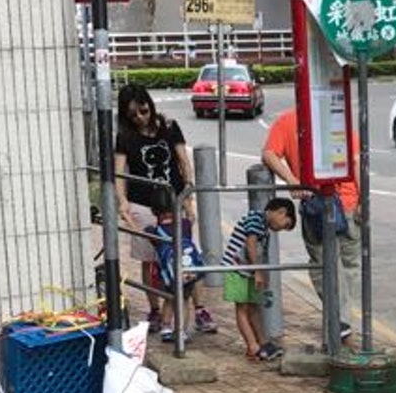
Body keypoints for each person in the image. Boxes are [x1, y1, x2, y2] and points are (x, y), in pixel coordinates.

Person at [114, 82, 216, 341]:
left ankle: (200, 309)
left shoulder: (168, 127)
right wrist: (122, 201)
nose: (140, 118)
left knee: (185, 255)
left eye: (143, 111)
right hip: (142, 203)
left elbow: (183, 161)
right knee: (151, 258)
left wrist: (188, 197)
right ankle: (156, 310)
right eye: (133, 115)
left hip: (174, 200)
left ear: (150, 105)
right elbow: (119, 173)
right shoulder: (125, 136)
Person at [261, 105, 361, 346]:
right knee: (347, 265)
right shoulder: (336, 117)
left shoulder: (288, 120)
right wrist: (363, 199)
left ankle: (340, 322)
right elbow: (356, 162)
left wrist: (293, 181)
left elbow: (269, 154)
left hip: (317, 203)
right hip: (347, 201)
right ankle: (341, 323)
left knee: (323, 265)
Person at [223, 197, 296, 362]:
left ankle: (262, 342)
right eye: (284, 224)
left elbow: (261, 253)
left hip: (249, 270)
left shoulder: (264, 227)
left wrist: (262, 273)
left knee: (254, 307)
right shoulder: (256, 218)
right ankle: (252, 346)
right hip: (237, 269)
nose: (280, 229)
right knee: (242, 307)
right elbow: (250, 244)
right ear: (281, 212)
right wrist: (257, 271)